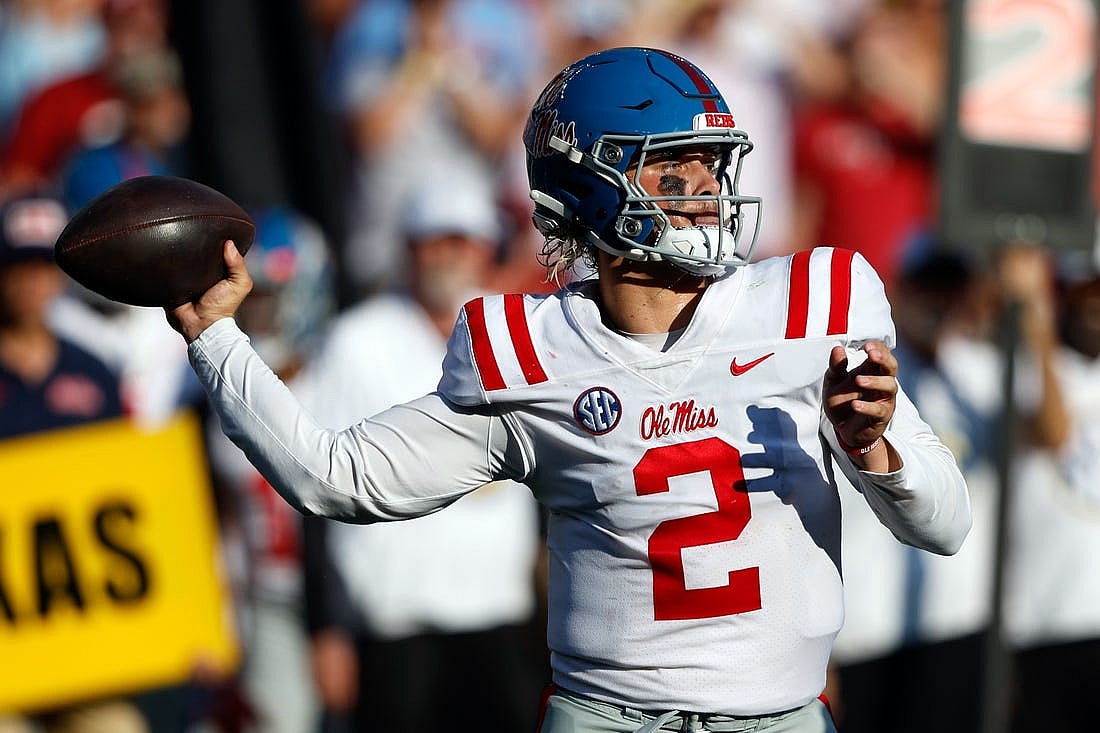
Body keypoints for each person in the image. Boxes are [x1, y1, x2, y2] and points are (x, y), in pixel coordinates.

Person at [166, 47, 970, 732]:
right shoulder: (528, 354)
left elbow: (947, 521)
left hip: (784, 714)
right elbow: (336, 477)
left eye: (711, 161)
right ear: (587, 182)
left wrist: (876, 445)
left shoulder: (812, 307)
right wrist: (216, 339)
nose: (705, 184)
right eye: (670, 162)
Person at [295, 178, 543, 732]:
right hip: (394, 621)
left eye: (464, 240)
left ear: (486, 248)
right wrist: (325, 626)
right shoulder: (356, 341)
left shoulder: (515, 333)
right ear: (409, 247)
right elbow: (314, 483)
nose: (451, 254)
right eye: (437, 240)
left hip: (499, 611)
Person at [0, 192, 145, 731]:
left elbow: (135, 492)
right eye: (16, 266)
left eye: (42, 266)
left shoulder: (95, 373)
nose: (30, 282)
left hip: (86, 637)